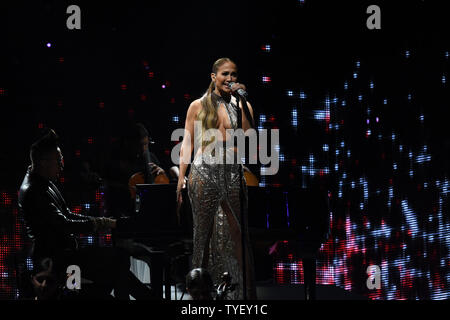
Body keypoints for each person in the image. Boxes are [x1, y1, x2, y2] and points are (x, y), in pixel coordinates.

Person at [18, 129, 155, 299]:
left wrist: (102, 221)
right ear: (43, 162)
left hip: (63, 255)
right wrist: (104, 223)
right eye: (58, 160)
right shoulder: (34, 190)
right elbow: (65, 224)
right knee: (118, 261)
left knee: (117, 265)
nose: (62, 165)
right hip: (57, 262)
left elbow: (66, 214)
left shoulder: (43, 181)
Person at [177, 57, 257, 299]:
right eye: (225, 74)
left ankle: (245, 293)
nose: (230, 79)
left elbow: (250, 139)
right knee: (203, 236)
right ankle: (198, 296)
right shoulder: (197, 106)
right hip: (203, 172)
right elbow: (186, 145)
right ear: (213, 76)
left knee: (237, 233)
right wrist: (181, 179)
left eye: (233, 74)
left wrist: (242, 102)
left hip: (232, 172)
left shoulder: (242, 105)